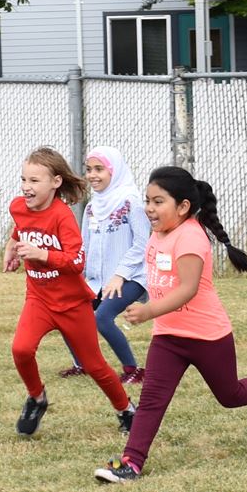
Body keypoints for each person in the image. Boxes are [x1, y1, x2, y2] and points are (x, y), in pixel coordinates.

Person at [94, 167, 247, 485]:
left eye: (158, 201)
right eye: (147, 201)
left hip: (207, 336)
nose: (149, 208)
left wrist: (148, 311)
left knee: (230, 396)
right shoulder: (158, 232)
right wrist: (121, 276)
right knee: (151, 399)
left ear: (183, 207)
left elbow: (187, 289)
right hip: (168, 336)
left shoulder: (191, 235)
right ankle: (131, 463)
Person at [5, 147, 136, 436]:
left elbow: (77, 262)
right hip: (38, 298)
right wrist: (10, 250)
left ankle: (126, 409)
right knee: (21, 349)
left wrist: (42, 254)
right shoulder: (17, 206)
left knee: (94, 365)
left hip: (72, 304)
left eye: (35, 181)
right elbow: (18, 230)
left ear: (55, 182)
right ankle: (37, 398)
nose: (27, 187)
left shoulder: (62, 216)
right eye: (24, 179)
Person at [78, 146, 149, 383]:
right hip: (98, 279)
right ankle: (82, 365)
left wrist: (120, 274)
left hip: (130, 277)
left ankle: (134, 371)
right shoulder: (91, 207)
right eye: (89, 169)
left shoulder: (131, 202)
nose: (92, 175)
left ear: (114, 171)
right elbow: (84, 246)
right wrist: (79, 276)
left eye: (99, 169)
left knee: (101, 317)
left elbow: (142, 245)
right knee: (69, 311)